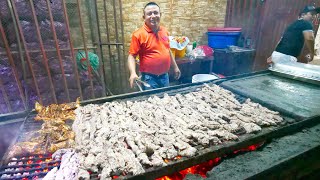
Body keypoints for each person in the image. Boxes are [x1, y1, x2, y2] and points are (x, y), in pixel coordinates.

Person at [127, 2, 181, 90]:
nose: (153, 16)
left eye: (156, 13)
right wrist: (133, 73)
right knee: (152, 102)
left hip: (165, 76)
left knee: (165, 100)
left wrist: (175, 67)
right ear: (144, 17)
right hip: (149, 78)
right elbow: (131, 56)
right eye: (149, 14)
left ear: (160, 14)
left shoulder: (164, 31)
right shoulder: (138, 35)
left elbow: (168, 50)